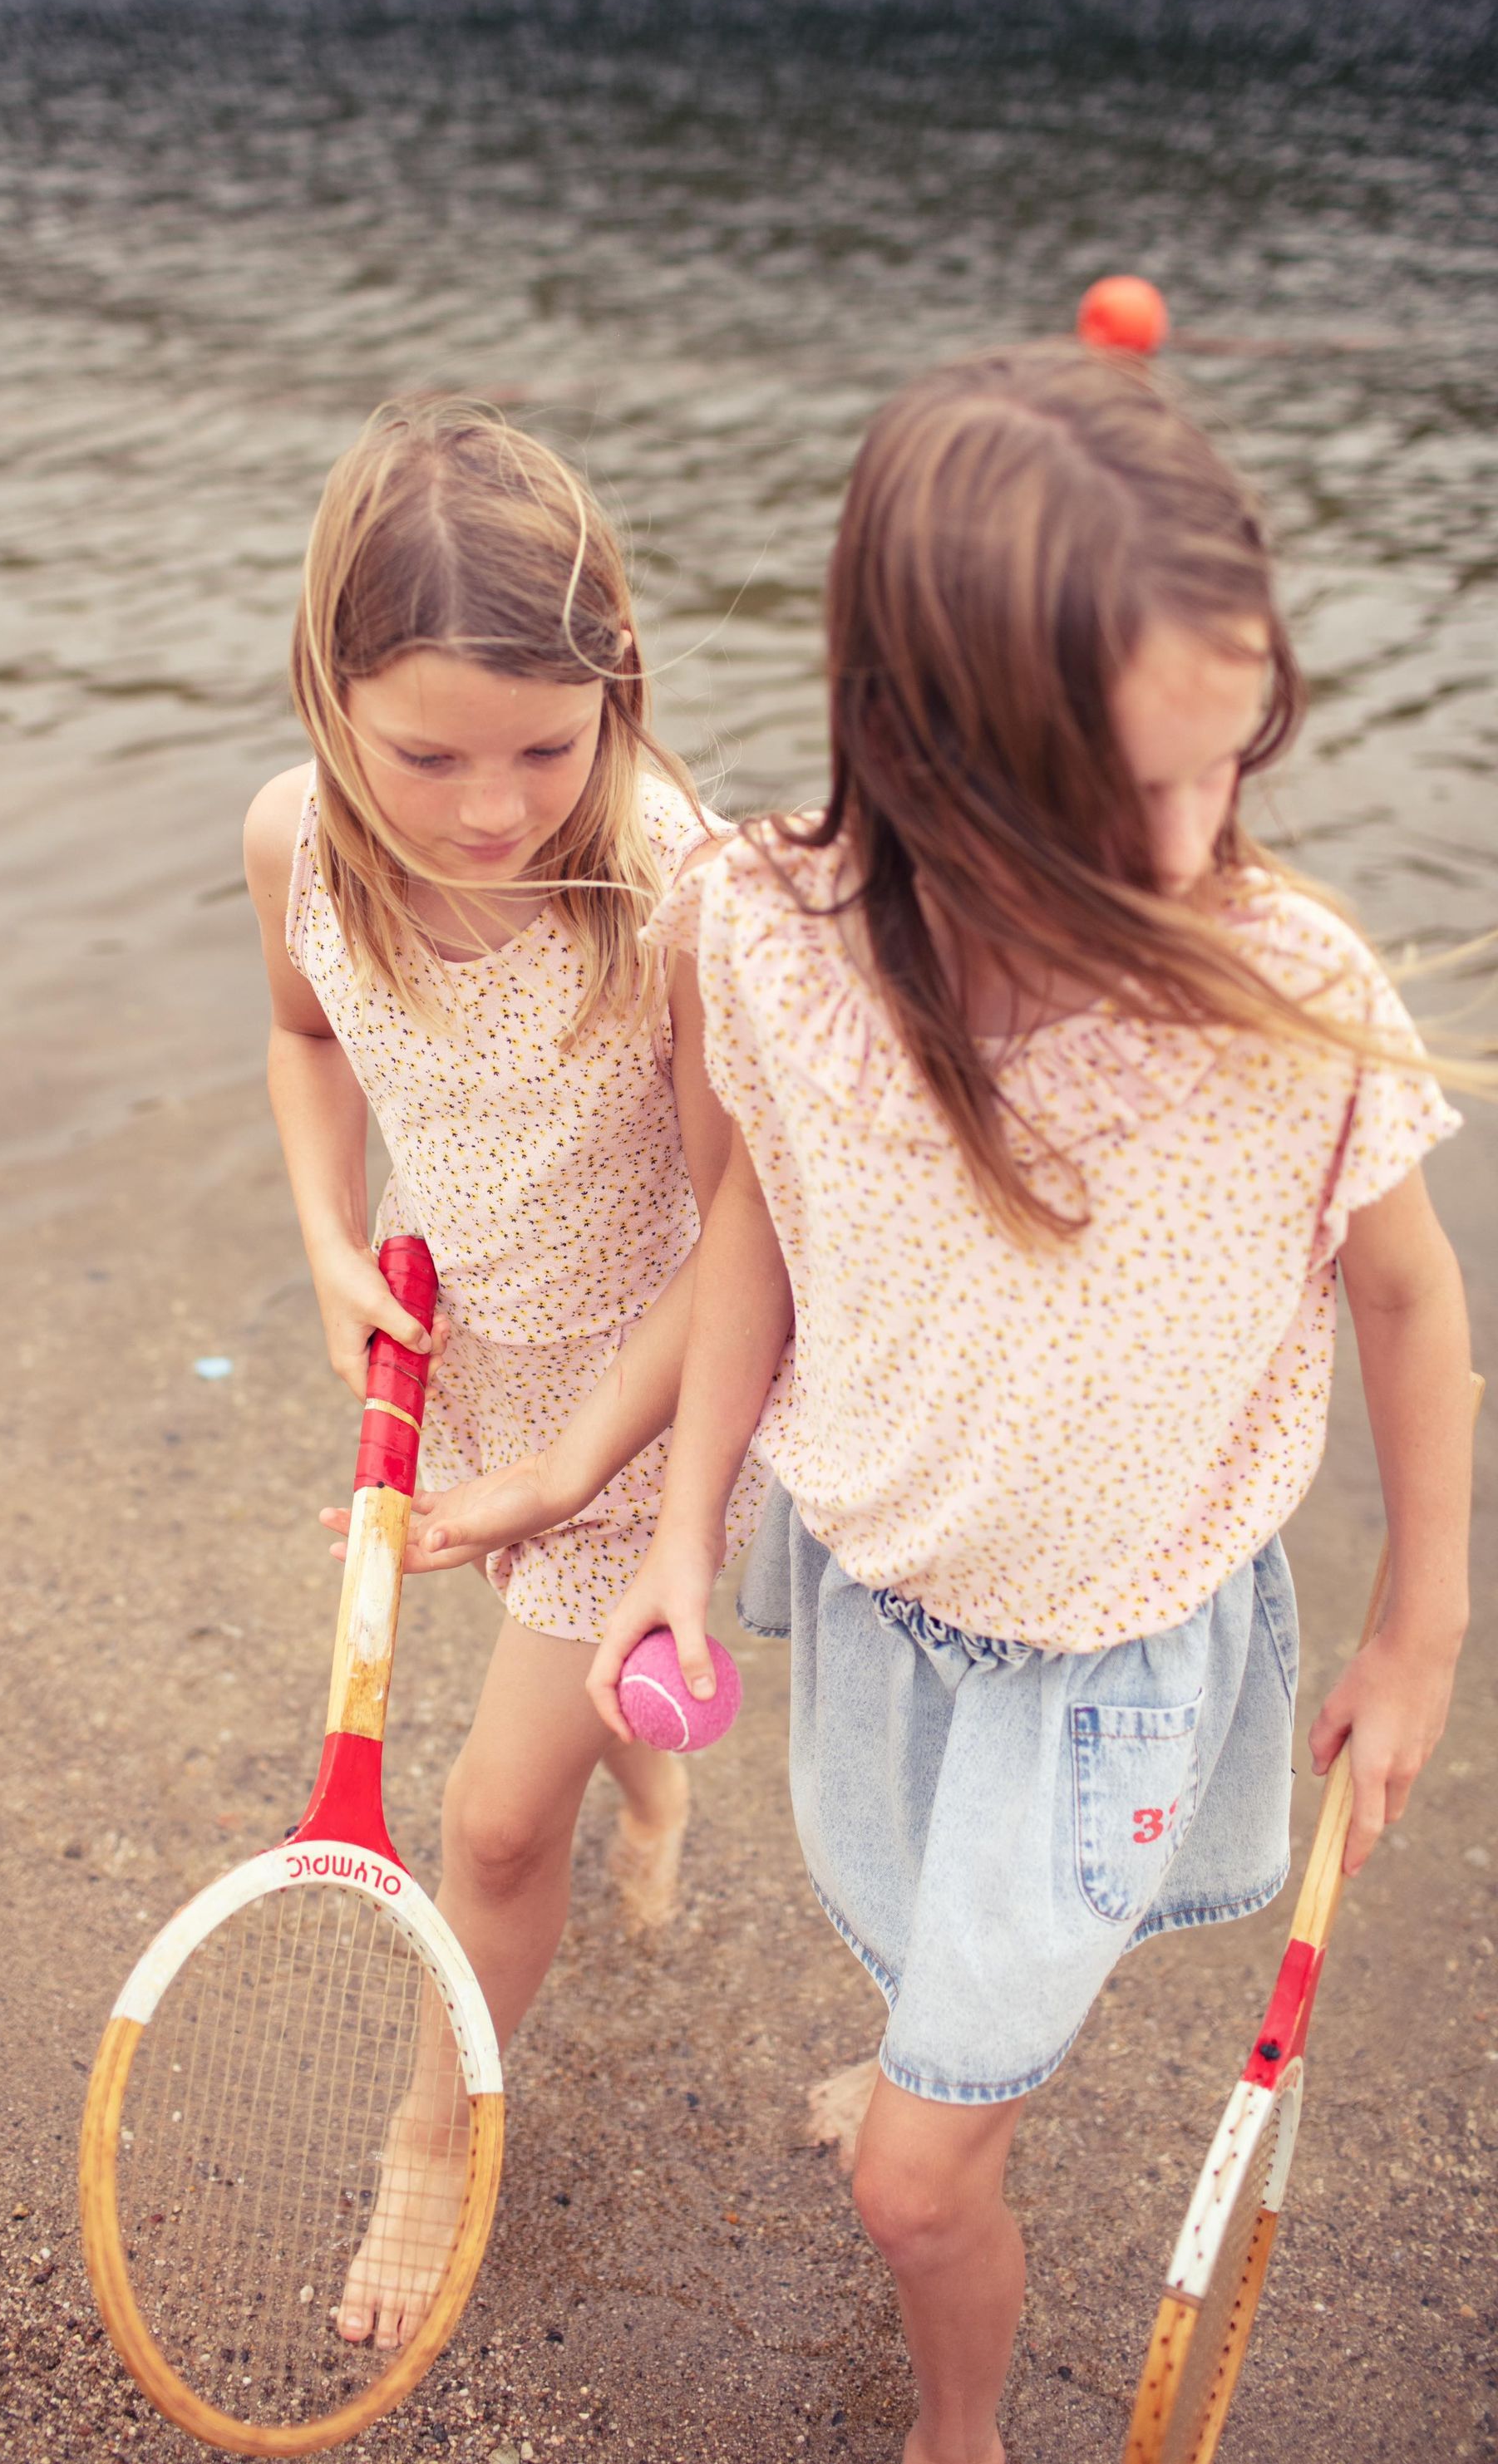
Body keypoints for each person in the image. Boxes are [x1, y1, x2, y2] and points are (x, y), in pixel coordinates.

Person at [577, 344, 1474, 2464]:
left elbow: (1415, 1304)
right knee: (900, 1945)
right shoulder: (771, 937)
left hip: (1116, 1661)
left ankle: (953, 2427)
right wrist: (682, 1537)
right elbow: (755, 1241)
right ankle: (941, 2061)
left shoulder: (1286, 992)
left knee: (913, 2173)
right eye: (1105, 799)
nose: (1180, 851)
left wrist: (1419, 1618)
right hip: (884, 1596)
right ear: (917, 743)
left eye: (1223, 763)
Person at [242, 398, 762, 2351]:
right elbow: (302, 1041)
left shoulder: (668, 885)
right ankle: (653, 1771)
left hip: (631, 1399)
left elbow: (739, 1234)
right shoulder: (299, 838)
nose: (486, 808)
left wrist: (572, 1480)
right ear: (330, 694)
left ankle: (433, 2132)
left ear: (615, 688)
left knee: (483, 1819)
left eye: (545, 748)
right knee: (589, 1711)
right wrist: (320, 1246)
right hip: (455, 1363)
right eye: (428, 753)